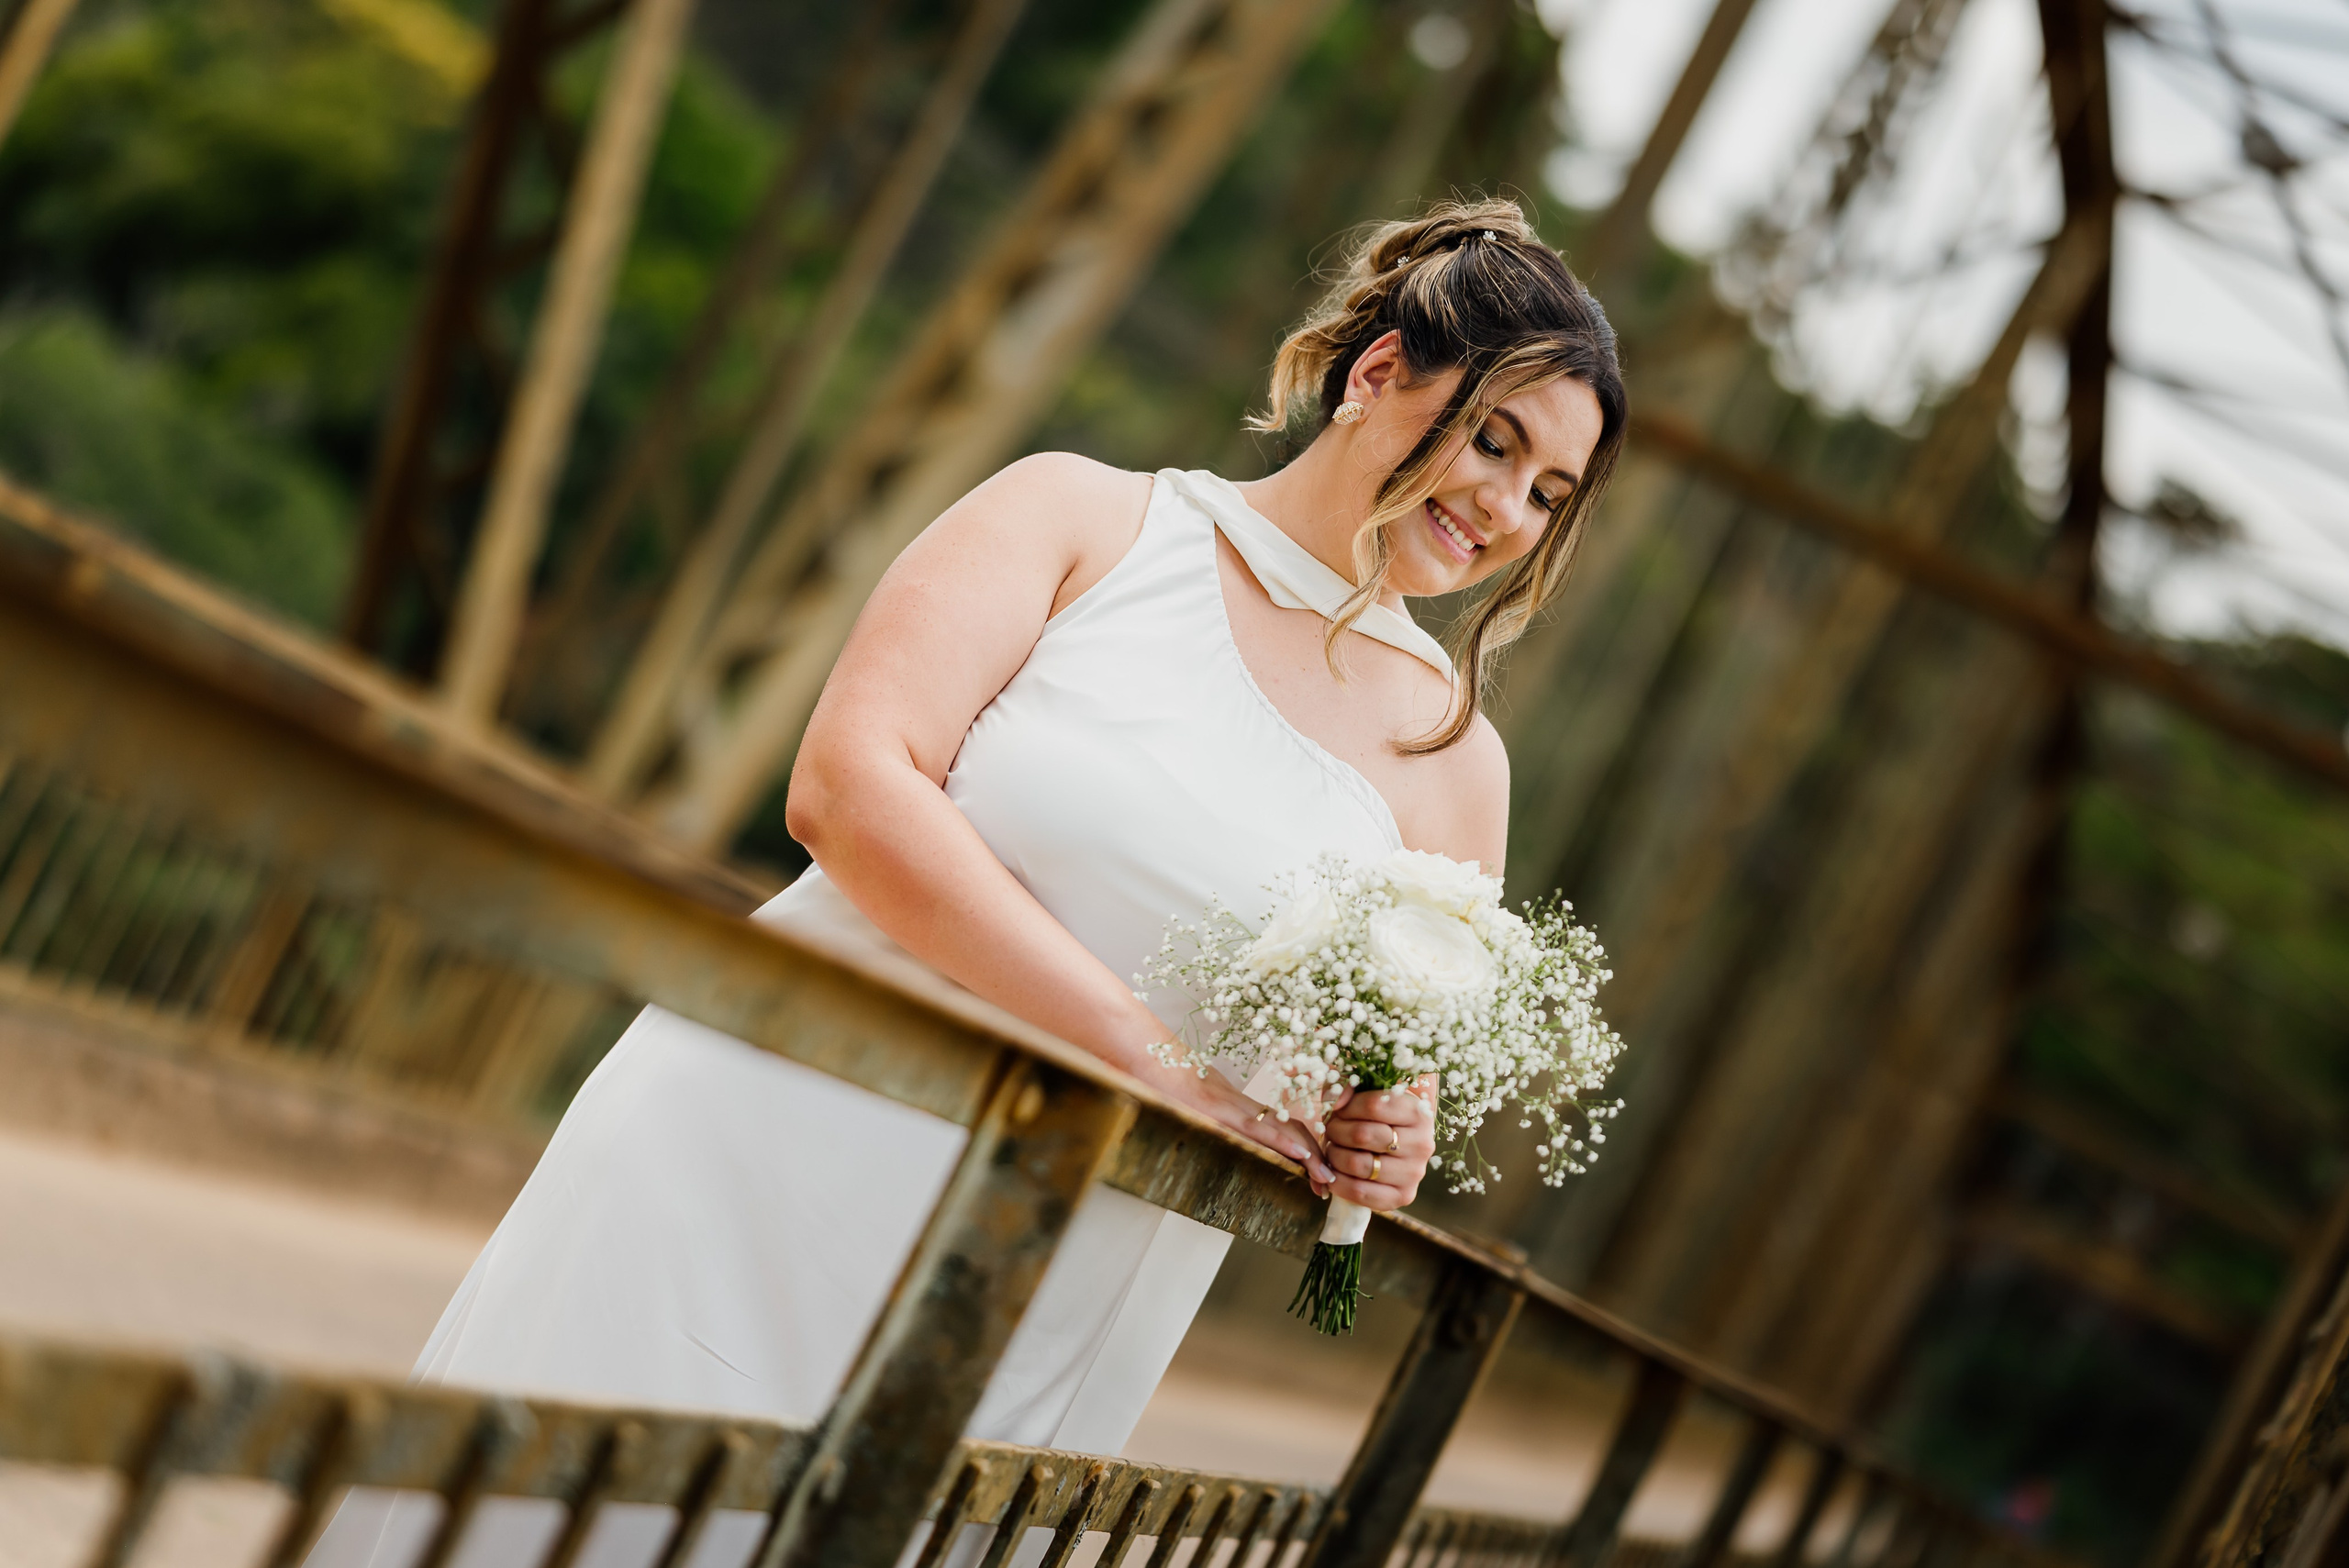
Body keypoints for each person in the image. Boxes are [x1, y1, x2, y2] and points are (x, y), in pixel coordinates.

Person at [313, 196, 1623, 1566]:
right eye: (1494, 437)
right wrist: (1150, 1061)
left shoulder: (1458, 764)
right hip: (749, 1158)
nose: (1505, 508)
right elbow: (847, 784)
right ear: (1375, 379)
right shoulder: (1083, 521)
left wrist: (1387, 1135)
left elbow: (1381, 1067)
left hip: (1040, 1295)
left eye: (1549, 493)